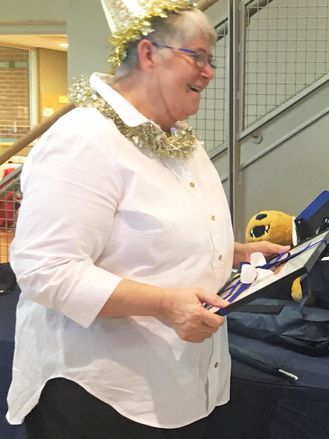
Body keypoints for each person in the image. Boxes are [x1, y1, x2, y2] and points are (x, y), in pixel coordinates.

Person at [5, 2, 288, 437]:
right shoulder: (84, 140)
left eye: (211, 59)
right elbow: (46, 271)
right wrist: (165, 304)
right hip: (102, 392)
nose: (209, 72)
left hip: (177, 380)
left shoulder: (178, 140)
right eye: (196, 56)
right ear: (149, 54)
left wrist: (237, 253)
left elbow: (151, 233)